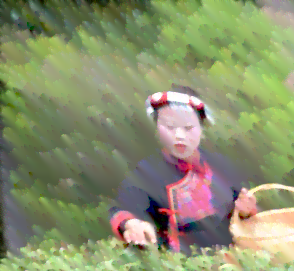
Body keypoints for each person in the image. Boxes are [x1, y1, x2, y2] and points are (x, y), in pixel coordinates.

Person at [108, 85, 259, 255]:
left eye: (188, 128)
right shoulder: (148, 173)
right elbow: (124, 207)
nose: (179, 135)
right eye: (170, 127)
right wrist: (131, 224)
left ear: (202, 130)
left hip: (231, 262)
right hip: (180, 270)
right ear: (157, 129)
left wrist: (247, 211)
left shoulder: (221, 166)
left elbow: (244, 211)